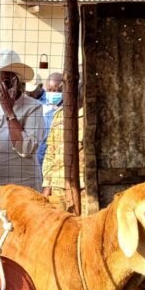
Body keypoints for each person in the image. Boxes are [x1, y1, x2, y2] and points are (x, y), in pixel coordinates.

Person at [0, 50, 46, 191]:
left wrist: (9, 112)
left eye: (5, 82)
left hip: (23, 186)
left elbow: (26, 148)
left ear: (16, 81)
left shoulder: (33, 107)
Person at [42, 84, 85, 213]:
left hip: (82, 187)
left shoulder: (88, 118)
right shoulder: (59, 115)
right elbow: (50, 152)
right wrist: (47, 184)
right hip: (57, 187)